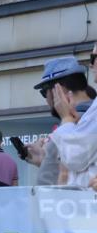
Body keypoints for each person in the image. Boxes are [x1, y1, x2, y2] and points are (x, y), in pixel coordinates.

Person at [35, 57, 96, 188]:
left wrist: (66, 120)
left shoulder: (72, 125)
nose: (46, 99)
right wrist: (42, 160)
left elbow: (46, 184)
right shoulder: (90, 116)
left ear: (57, 89)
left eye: (44, 92)